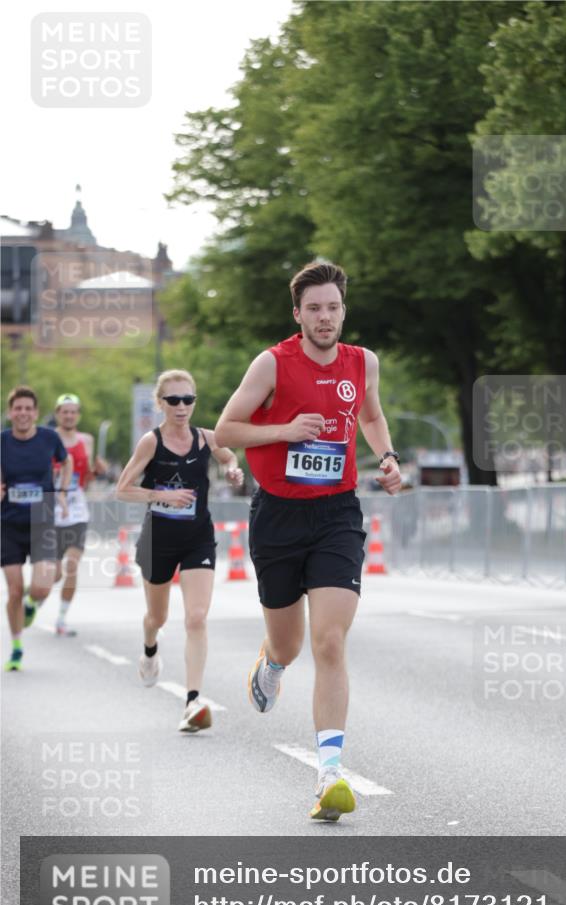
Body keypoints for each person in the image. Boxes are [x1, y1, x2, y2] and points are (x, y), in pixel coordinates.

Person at [215, 260, 401, 821]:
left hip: (337, 514)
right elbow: (225, 430)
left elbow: (370, 415)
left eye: (333, 308)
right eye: (314, 308)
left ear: (344, 311)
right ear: (298, 314)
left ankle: (329, 776)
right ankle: (270, 663)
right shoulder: (272, 363)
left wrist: (387, 457)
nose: (325, 317)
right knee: (290, 645)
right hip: (277, 516)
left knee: (330, 643)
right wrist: (283, 430)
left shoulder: (362, 362)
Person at [116, 370, 244, 732]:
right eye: (173, 400)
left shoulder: (206, 438)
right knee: (157, 617)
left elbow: (229, 457)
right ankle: (150, 648)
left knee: (197, 618)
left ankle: (192, 701)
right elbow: (122, 489)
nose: (182, 406)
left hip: (197, 538)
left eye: (188, 399)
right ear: (160, 404)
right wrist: (162, 495)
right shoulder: (151, 443)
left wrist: (234, 471)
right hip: (158, 539)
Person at [1, 386, 72, 671]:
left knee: (43, 585)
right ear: (10, 412)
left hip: (42, 516)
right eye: (18, 408)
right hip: (8, 523)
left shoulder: (49, 438)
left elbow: (65, 464)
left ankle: (32, 604)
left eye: (28, 408)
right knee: (14, 590)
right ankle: (17, 648)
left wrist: (63, 492)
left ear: (35, 412)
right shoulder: (2, 441)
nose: (23, 413)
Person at [52, 393, 109, 636]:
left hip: (76, 510)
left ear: (78, 415)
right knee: (52, 574)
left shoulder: (86, 440)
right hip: (49, 509)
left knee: (72, 565)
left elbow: (84, 478)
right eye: (64, 411)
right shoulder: (47, 438)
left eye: (73, 411)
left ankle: (62, 620)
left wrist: (97, 472)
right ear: (57, 414)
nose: (69, 415)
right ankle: (31, 596)